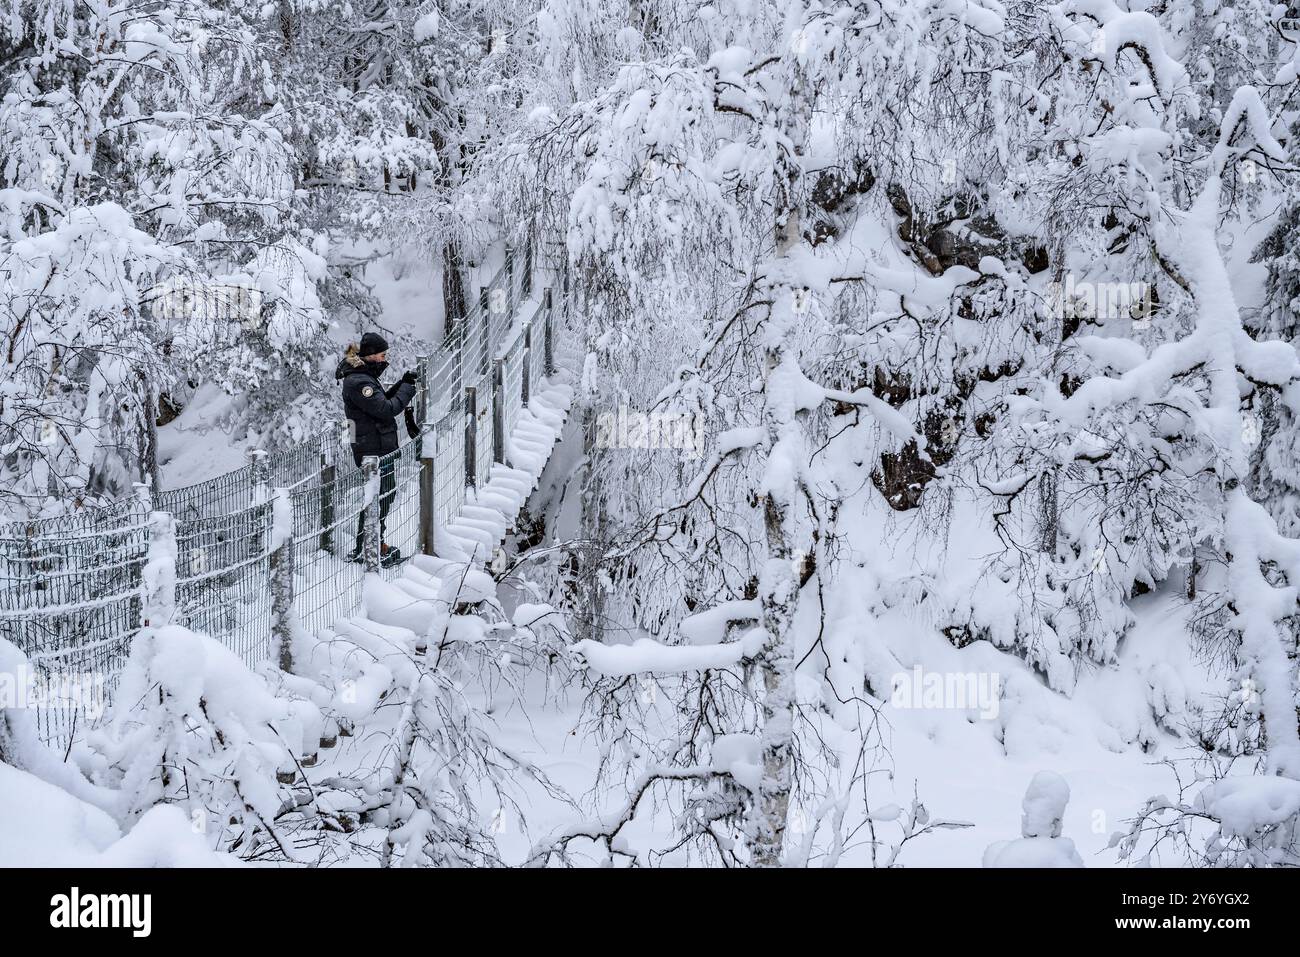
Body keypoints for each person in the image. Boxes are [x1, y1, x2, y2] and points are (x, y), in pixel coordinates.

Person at [335, 332, 418, 565]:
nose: (384, 359)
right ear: (371, 355)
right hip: (372, 450)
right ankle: (368, 548)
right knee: (378, 497)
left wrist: (403, 383)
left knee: (381, 496)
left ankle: (372, 543)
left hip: (377, 446)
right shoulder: (359, 382)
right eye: (382, 355)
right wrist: (407, 390)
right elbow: (384, 409)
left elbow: (380, 404)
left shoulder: (363, 376)